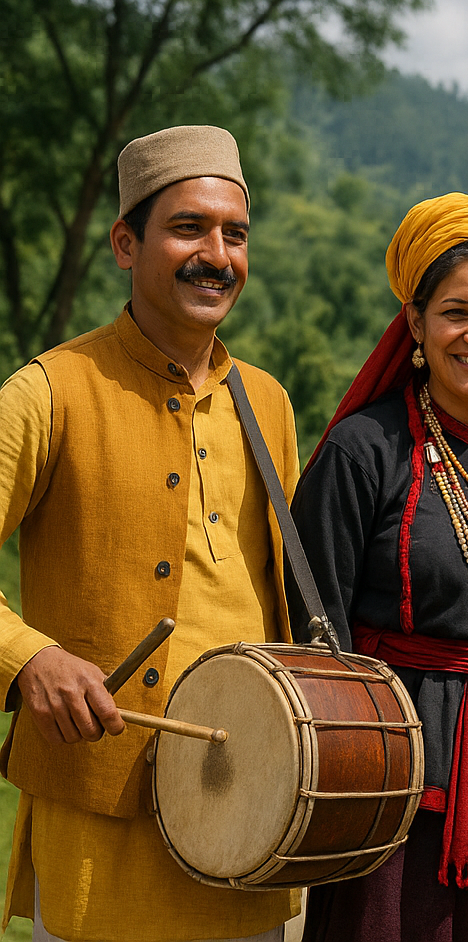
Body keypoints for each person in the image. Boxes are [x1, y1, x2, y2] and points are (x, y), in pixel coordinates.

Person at [0, 125, 301, 940]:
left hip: (247, 809)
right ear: (125, 244)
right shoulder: (48, 391)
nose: (217, 254)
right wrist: (30, 657)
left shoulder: (267, 403)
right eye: (188, 229)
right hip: (100, 818)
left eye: (234, 235)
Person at [290, 194, 468, 940]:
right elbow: (314, 634)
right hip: (395, 768)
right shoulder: (363, 451)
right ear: (415, 324)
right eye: (456, 312)